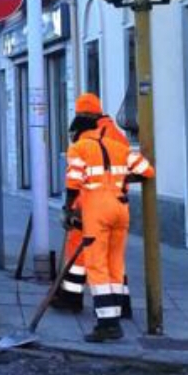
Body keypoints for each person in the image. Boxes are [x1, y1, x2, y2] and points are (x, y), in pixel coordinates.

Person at [65, 110, 154, 343]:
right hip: (120, 208)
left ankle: (107, 324)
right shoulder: (119, 147)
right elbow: (147, 171)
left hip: (97, 209)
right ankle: (114, 316)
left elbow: (74, 181)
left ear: (79, 131)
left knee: (96, 265)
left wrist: (68, 210)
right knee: (115, 262)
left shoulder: (79, 148)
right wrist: (123, 181)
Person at [52, 93, 129, 315]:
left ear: (84, 114)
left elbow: (75, 178)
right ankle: (121, 305)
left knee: (79, 252)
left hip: (89, 206)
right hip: (117, 204)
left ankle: (72, 298)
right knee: (113, 256)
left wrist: (69, 208)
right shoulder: (117, 135)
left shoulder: (87, 139)